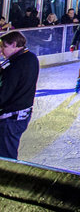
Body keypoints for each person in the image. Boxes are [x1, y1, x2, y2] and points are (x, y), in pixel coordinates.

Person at [0, 31, 39, 160]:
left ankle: (8, 178)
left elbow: (2, 95)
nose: (1, 51)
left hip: (10, 120)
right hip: (22, 116)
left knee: (6, 157)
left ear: (14, 44)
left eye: (4, 47)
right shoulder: (31, 57)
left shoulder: (14, 66)